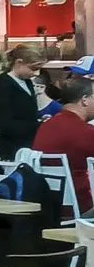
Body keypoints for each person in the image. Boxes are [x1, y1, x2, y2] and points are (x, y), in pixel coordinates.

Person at [32, 77, 94, 211]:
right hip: (82, 206)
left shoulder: (46, 126)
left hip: (50, 204)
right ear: (84, 100)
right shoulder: (85, 132)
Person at [0, 46, 44, 160]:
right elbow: (2, 123)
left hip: (27, 144)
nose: (37, 73)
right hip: (12, 148)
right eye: (33, 68)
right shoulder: (2, 84)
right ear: (19, 62)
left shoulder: (27, 82)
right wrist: (38, 125)